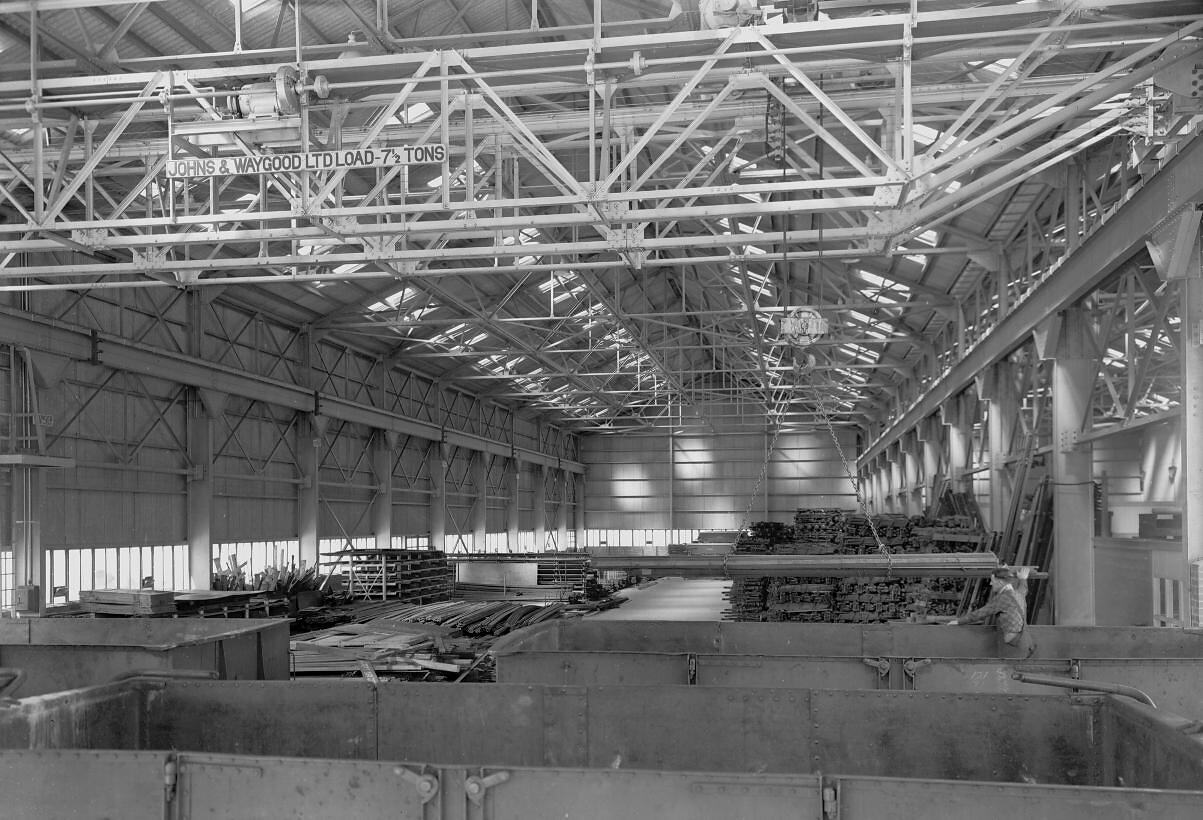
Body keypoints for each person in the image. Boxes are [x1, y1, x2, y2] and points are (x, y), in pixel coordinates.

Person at [947, 565, 1036, 658]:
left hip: (1013, 647)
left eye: (992, 581)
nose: (990, 583)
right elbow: (1024, 589)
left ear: (1000, 582)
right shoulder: (1018, 594)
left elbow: (979, 614)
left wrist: (958, 621)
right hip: (1024, 642)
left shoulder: (1002, 598)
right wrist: (1023, 579)